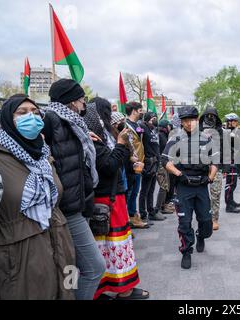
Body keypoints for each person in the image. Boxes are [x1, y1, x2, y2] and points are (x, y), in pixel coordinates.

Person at [0, 95, 76, 299]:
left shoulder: (43, 154)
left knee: (69, 290)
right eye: (22, 113)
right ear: (7, 119)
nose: (31, 117)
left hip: (61, 248)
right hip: (20, 260)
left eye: (35, 112)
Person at [43, 79, 106, 300]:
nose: (84, 104)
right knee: (95, 267)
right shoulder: (51, 120)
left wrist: (82, 139)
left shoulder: (73, 124)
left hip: (79, 204)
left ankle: (72, 295)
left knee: (72, 266)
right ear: (71, 102)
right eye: (81, 99)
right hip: (66, 209)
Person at [84, 99, 149, 300]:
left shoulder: (102, 136)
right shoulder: (93, 138)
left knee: (111, 246)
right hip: (107, 197)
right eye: (107, 112)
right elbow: (108, 165)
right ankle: (120, 289)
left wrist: (128, 158)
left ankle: (116, 287)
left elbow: (114, 160)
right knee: (112, 246)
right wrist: (121, 145)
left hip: (111, 194)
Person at [161, 106, 218, 269]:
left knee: (207, 223)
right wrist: (179, 174)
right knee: (184, 222)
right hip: (184, 186)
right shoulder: (175, 139)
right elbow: (165, 161)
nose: (189, 123)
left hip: (201, 186)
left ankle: (201, 235)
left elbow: (215, 162)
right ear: (181, 122)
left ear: (197, 120)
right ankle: (186, 251)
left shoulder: (206, 139)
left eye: (192, 120)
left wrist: (210, 178)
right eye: (185, 121)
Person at [199, 107, 224, 231]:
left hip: (217, 167)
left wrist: (225, 167)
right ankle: (204, 217)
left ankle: (214, 219)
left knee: (216, 194)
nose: (209, 118)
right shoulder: (197, 131)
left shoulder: (220, 132)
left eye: (212, 115)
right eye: (207, 115)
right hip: (201, 168)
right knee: (202, 196)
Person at [124, 102, 148, 228]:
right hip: (129, 165)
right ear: (134, 111)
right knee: (128, 192)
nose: (142, 112)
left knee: (135, 192)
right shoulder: (124, 125)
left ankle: (133, 217)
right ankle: (126, 219)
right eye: (140, 110)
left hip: (139, 164)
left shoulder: (138, 125)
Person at [139, 112, 166, 222]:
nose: (155, 120)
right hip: (148, 164)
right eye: (153, 118)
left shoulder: (153, 130)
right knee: (144, 190)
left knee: (151, 190)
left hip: (155, 163)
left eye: (156, 118)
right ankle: (142, 213)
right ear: (147, 119)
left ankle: (151, 211)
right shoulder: (142, 128)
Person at [155, 119, 175, 216]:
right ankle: (158, 208)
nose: (170, 127)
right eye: (168, 126)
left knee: (166, 186)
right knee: (164, 186)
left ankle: (163, 206)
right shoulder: (161, 136)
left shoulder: (163, 135)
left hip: (163, 163)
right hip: (161, 164)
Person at [224, 113, 240, 213]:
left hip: (234, 159)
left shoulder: (233, 131)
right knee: (231, 183)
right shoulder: (228, 132)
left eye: (236, 121)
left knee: (233, 183)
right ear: (229, 122)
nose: (236, 123)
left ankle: (231, 200)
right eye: (234, 121)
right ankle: (228, 205)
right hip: (230, 160)